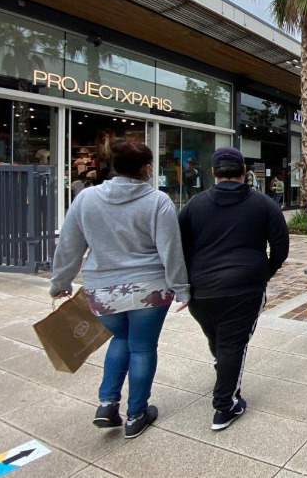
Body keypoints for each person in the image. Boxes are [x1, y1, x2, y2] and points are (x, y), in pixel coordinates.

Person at [49, 139, 189, 439]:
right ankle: (137, 414)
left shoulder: (86, 199)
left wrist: (59, 283)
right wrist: (182, 288)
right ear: (146, 168)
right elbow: (170, 250)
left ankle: (107, 403)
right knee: (142, 347)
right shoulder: (157, 201)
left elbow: (70, 245)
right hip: (149, 290)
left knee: (120, 339)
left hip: (103, 291)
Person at [178, 147, 289, 431]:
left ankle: (223, 371)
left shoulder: (193, 205)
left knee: (218, 339)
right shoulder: (265, 205)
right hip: (244, 288)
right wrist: (264, 272)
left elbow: (178, 247)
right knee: (232, 345)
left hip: (201, 289)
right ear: (244, 171)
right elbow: (280, 249)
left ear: (214, 172)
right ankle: (225, 406)